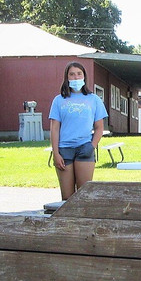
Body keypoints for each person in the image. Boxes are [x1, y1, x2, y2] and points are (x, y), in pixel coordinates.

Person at [48, 61, 108, 200]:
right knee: (67, 198)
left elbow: (99, 128)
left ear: (84, 77)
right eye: (72, 74)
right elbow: (54, 128)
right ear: (67, 78)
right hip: (64, 150)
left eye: (79, 74)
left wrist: (92, 146)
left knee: (84, 196)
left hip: (84, 148)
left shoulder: (94, 99)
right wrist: (56, 153)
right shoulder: (58, 100)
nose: (76, 77)